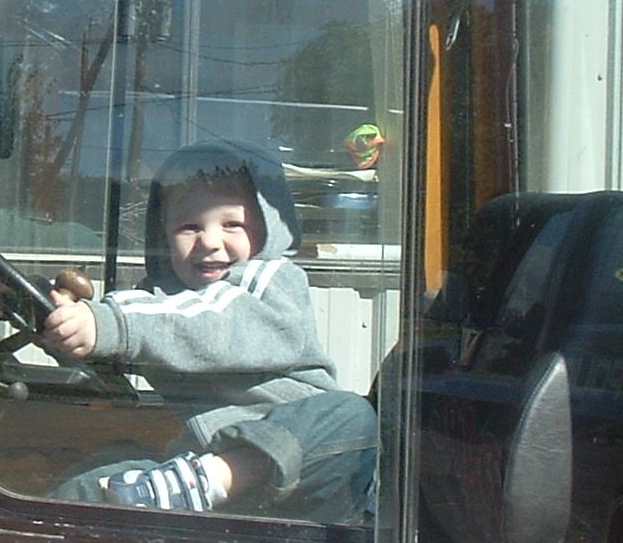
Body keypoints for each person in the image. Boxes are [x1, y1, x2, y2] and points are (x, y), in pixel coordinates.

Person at [41, 140, 377, 523]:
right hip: (202, 474)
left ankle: (215, 478)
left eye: (232, 224)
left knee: (353, 414)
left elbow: (209, 323)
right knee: (96, 476)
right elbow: (115, 351)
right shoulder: (160, 301)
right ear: (164, 236)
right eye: (189, 227)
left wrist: (110, 323)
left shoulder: (273, 283)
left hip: (310, 475)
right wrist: (54, 320)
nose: (210, 242)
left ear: (266, 227)